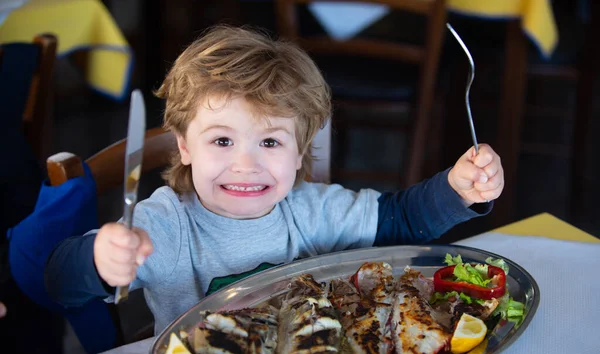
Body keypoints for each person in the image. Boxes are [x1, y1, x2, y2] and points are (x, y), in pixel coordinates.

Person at [45, 25, 504, 334]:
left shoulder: (309, 209)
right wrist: (99, 260)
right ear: (183, 146)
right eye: (222, 141)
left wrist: (457, 190)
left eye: (270, 143)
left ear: (301, 150)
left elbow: (400, 220)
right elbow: (57, 281)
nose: (246, 165)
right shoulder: (165, 227)